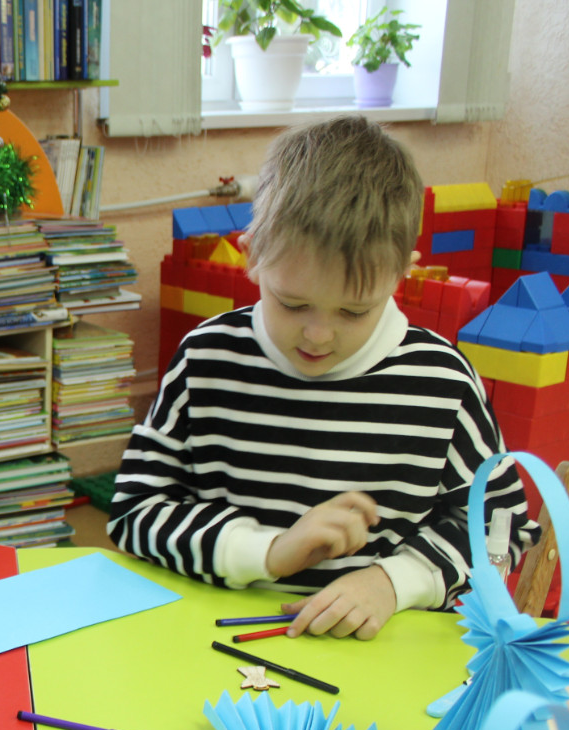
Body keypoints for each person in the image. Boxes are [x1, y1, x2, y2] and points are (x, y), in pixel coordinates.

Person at [107, 116, 536, 640]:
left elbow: (502, 527)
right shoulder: (205, 359)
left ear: (402, 274)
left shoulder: (443, 381)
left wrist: (393, 581)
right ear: (252, 256)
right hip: (216, 639)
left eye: (353, 312)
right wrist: (267, 552)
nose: (318, 336)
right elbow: (135, 511)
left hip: (381, 653)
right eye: (292, 303)